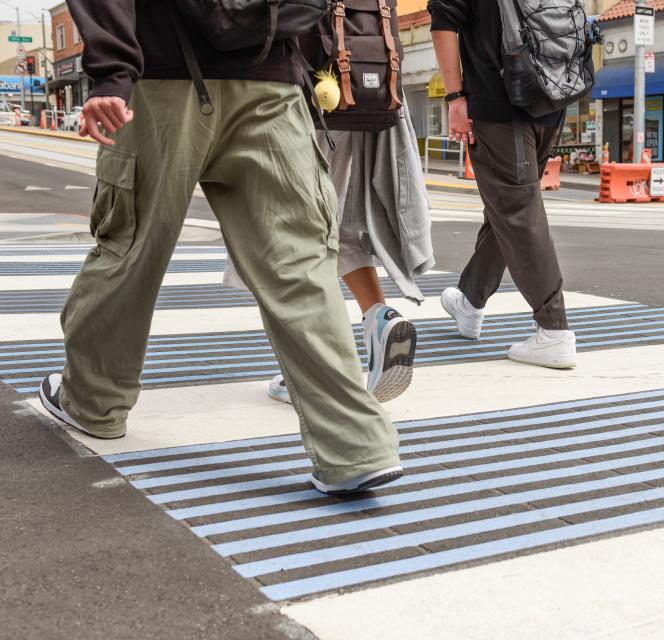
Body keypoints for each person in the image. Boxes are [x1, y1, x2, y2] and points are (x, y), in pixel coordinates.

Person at [37, 1, 403, 496]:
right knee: (299, 266)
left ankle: (93, 403)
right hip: (272, 83)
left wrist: (113, 73)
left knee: (131, 249)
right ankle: (355, 448)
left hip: (159, 81)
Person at [224, 114, 434, 405]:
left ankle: (306, 369)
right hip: (352, 108)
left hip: (296, 104)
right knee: (339, 228)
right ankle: (380, 320)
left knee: (288, 232)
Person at [428, 0, 577, 369]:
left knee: (517, 211)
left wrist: (455, 98)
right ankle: (470, 300)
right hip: (549, 97)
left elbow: (444, 22)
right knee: (508, 204)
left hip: (499, 102)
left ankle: (553, 330)